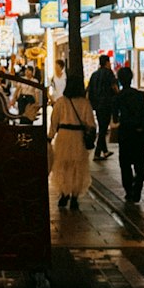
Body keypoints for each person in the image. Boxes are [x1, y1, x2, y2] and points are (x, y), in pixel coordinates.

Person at [50, 69, 95, 213]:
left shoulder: (61, 102)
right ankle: (75, 197)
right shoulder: (85, 103)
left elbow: (54, 122)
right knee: (78, 167)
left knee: (63, 166)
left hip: (63, 137)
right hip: (78, 137)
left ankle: (64, 194)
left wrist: (50, 137)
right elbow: (91, 124)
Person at [115, 63, 144, 204]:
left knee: (125, 164)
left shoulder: (118, 97)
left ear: (120, 80)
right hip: (138, 132)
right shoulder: (139, 95)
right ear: (131, 78)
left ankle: (128, 191)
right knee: (141, 162)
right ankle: (137, 188)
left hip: (125, 133)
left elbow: (115, 117)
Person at [87, 53, 119, 161]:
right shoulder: (109, 73)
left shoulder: (94, 75)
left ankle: (105, 151)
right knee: (103, 129)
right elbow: (114, 87)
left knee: (102, 127)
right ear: (107, 63)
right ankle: (97, 153)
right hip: (107, 104)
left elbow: (89, 90)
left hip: (97, 105)